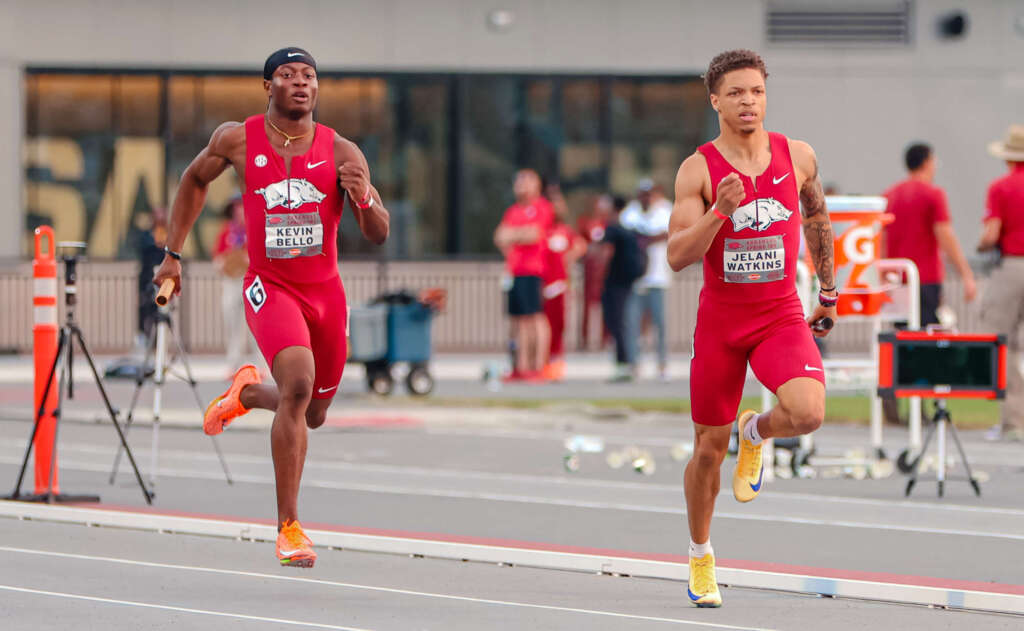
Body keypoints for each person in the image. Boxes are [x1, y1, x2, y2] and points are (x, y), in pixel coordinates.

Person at [152, 47, 390, 568]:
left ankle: (246, 393)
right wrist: (173, 254)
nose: (300, 83)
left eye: (309, 76)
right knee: (299, 385)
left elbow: (378, 233)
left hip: (325, 293)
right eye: (287, 75)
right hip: (270, 286)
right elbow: (194, 180)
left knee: (314, 413)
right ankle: (289, 528)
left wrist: (364, 199)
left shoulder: (342, 150)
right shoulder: (236, 139)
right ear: (268, 86)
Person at [666, 49, 837, 608]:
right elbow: (676, 256)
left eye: (757, 92)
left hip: (780, 314)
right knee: (708, 450)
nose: (748, 102)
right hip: (722, 323)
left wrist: (828, 291)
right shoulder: (698, 169)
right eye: (736, 93)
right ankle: (700, 555)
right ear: (715, 101)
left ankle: (757, 432)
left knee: (808, 412)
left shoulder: (798, 155)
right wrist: (718, 211)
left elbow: (816, 217)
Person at [882, 142, 977, 327]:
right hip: (926, 278)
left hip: (898, 278)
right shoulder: (933, 194)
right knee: (927, 333)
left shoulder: (889, 195)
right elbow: (946, 236)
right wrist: (966, 274)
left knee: (901, 334)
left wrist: (883, 274)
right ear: (927, 162)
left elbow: (882, 240)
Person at [978, 124, 1024, 442]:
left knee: (1000, 340)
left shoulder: (1001, 187)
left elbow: (991, 234)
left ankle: (1014, 419)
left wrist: (982, 245)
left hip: (1013, 265)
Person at [493, 169, 553, 380]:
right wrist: (519, 235)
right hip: (514, 271)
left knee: (534, 318)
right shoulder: (512, 211)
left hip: (533, 270)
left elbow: (534, 234)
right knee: (518, 320)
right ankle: (521, 366)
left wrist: (513, 235)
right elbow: (499, 237)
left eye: (526, 181)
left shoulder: (542, 207)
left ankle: (538, 366)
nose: (520, 185)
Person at [621, 178, 673, 381]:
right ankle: (634, 364)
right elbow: (628, 236)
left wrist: (644, 238)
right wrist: (649, 237)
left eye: (649, 194)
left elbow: (668, 233)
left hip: (657, 277)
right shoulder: (630, 213)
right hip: (635, 278)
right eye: (643, 194)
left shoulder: (664, 210)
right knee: (632, 323)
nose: (646, 198)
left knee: (660, 323)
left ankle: (662, 364)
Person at [213, 194, 265, 377]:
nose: (238, 211)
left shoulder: (255, 229)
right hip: (232, 282)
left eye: (241, 207)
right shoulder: (227, 231)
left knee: (257, 324)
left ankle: (261, 365)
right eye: (236, 208)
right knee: (232, 324)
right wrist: (225, 262)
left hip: (252, 281)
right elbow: (217, 257)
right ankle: (233, 364)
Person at [540, 182, 586, 381]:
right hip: (542, 284)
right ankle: (540, 362)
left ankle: (556, 363)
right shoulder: (542, 230)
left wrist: (568, 259)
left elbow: (580, 245)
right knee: (542, 325)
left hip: (559, 285)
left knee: (558, 326)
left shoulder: (564, 230)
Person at [601, 196, 644, 382]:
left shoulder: (612, 229)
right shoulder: (628, 230)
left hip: (615, 282)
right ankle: (628, 362)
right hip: (629, 281)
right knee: (627, 322)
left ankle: (623, 363)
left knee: (617, 322)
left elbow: (605, 254)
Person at [577, 194, 612, 350]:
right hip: (590, 269)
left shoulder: (608, 225)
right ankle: (584, 339)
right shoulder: (585, 222)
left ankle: (605, 339)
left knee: (606, 304)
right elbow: (581, 243)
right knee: (587, 305)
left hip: (604, 270)